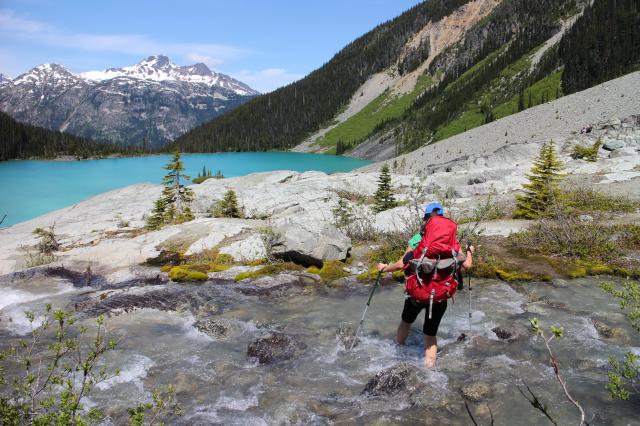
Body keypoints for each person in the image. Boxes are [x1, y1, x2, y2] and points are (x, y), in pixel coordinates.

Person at [377, 202, 474, 368]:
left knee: (406, 323)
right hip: (439, 296)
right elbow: (467, 266)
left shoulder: (417, 239)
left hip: (417, 293)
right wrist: (471, 250)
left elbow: (402, 264)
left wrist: (384, 268)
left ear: (426, 220)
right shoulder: (452, 243)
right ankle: (429, 374)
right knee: (430, 336)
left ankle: (397, 357)